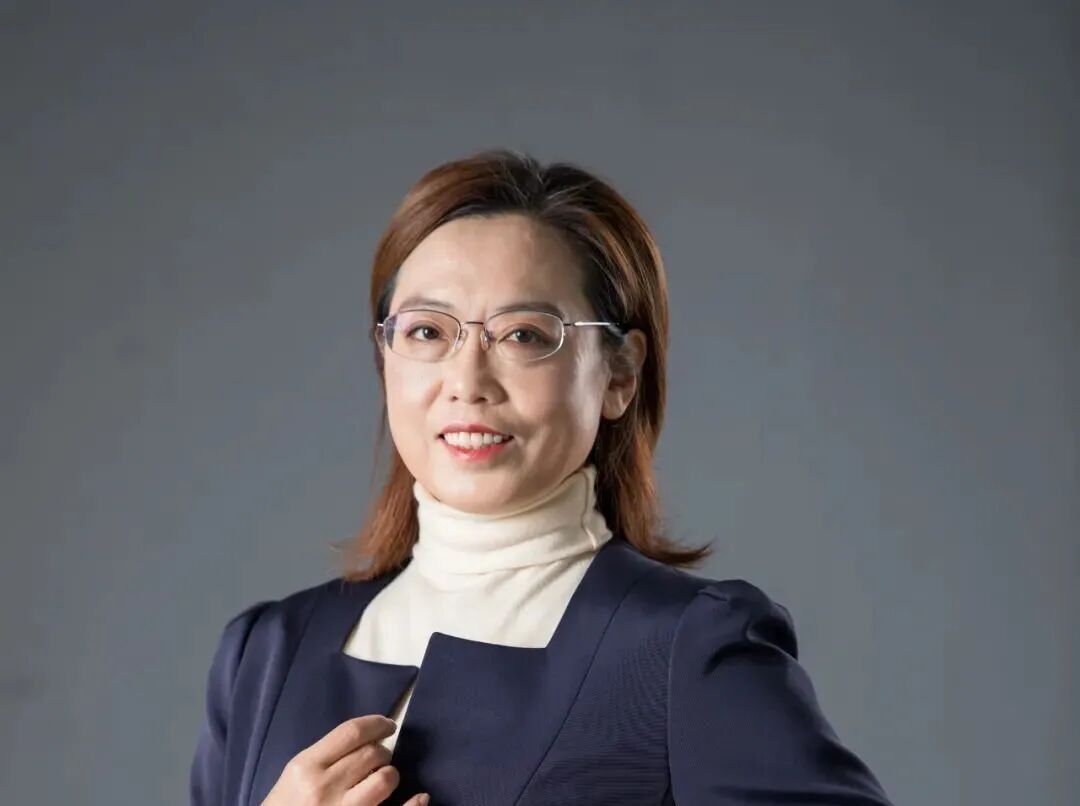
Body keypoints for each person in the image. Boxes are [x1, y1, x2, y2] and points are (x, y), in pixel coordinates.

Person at [189, 149, 894, 806]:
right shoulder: (265, 653)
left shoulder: (682, 649)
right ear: (386, 359)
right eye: (428, 331)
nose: (467, 380)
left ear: (620, 374)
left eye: (523, 334)